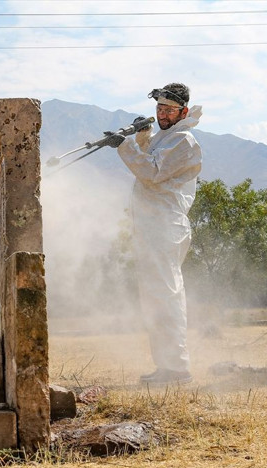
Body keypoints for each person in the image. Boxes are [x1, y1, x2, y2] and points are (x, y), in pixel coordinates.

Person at [105, 83, 203, 385]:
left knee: (166, 295)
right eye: (159, 108)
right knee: (154, 298)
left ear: (183, 112)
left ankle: (177, 368)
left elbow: (151, 172)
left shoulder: (184, 141)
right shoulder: (166, 137)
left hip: (165, 226)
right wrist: (142, 136)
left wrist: (125, 145)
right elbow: (151, 156)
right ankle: (166, 365)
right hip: (151, 227)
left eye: (168, 110)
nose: (161, 114)